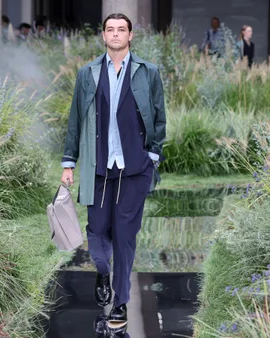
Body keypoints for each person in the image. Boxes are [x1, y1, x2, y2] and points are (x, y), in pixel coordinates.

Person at [60, 12, 166, 328]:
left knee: (124, 235)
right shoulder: (88, 74)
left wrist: (153, 155)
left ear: (130, 35)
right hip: (98, 166)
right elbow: (76, 120)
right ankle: (103, 272)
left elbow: (160, 117)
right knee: (97, 230)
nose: (116, 34)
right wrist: (69, 163)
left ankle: (120, 302)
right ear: (103, 36)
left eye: (122, 29)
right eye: (111, 29)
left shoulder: (148, 72)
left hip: (135, 167)